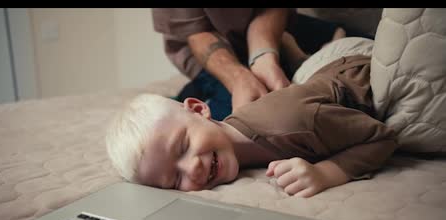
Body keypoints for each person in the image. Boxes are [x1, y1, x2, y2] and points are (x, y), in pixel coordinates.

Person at [105, 36, 398, 198]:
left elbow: (381, 137)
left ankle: (320, 40)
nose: (192, 169)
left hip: (352, 67)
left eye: (183, 147)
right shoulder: (225, 144)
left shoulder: (294, 122)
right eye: (174, 180)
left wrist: (326, 173)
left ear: (199, 110)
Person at [151, 8, 369, 121]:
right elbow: (198, 33)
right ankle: (196, 91)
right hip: (208, 44)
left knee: (372, 51)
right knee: (237, 120)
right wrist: (240, 79)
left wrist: (263, 58)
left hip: (278, 26)